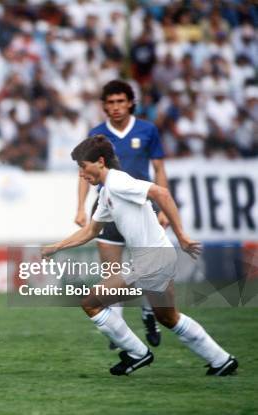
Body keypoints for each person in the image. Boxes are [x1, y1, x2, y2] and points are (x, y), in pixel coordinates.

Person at [42, 135, 238, 376]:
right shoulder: (106, 193)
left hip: (152, 260)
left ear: (101, 162)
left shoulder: (118, 182)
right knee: (168, 317)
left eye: (83, 167)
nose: (81, 175)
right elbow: (91, 231)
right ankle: (221, 360)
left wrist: (182, 235)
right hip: (156, 258)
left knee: (92, 302)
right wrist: (56, 247)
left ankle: (137, 354)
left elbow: (162, 193)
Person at [75, 80, 169, 349]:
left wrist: (161, 207)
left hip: (142, 209)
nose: (116, 107)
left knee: (150, 271)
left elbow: (159, 169)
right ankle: (119, 333)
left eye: (120, 101)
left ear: (130, 103)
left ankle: (150, 313)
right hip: (108, 209)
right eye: (111, 102)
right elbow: (84, 173)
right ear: (104, 106)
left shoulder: (147, 130)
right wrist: (80, 207)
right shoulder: (95, 134)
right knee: (111, 274)